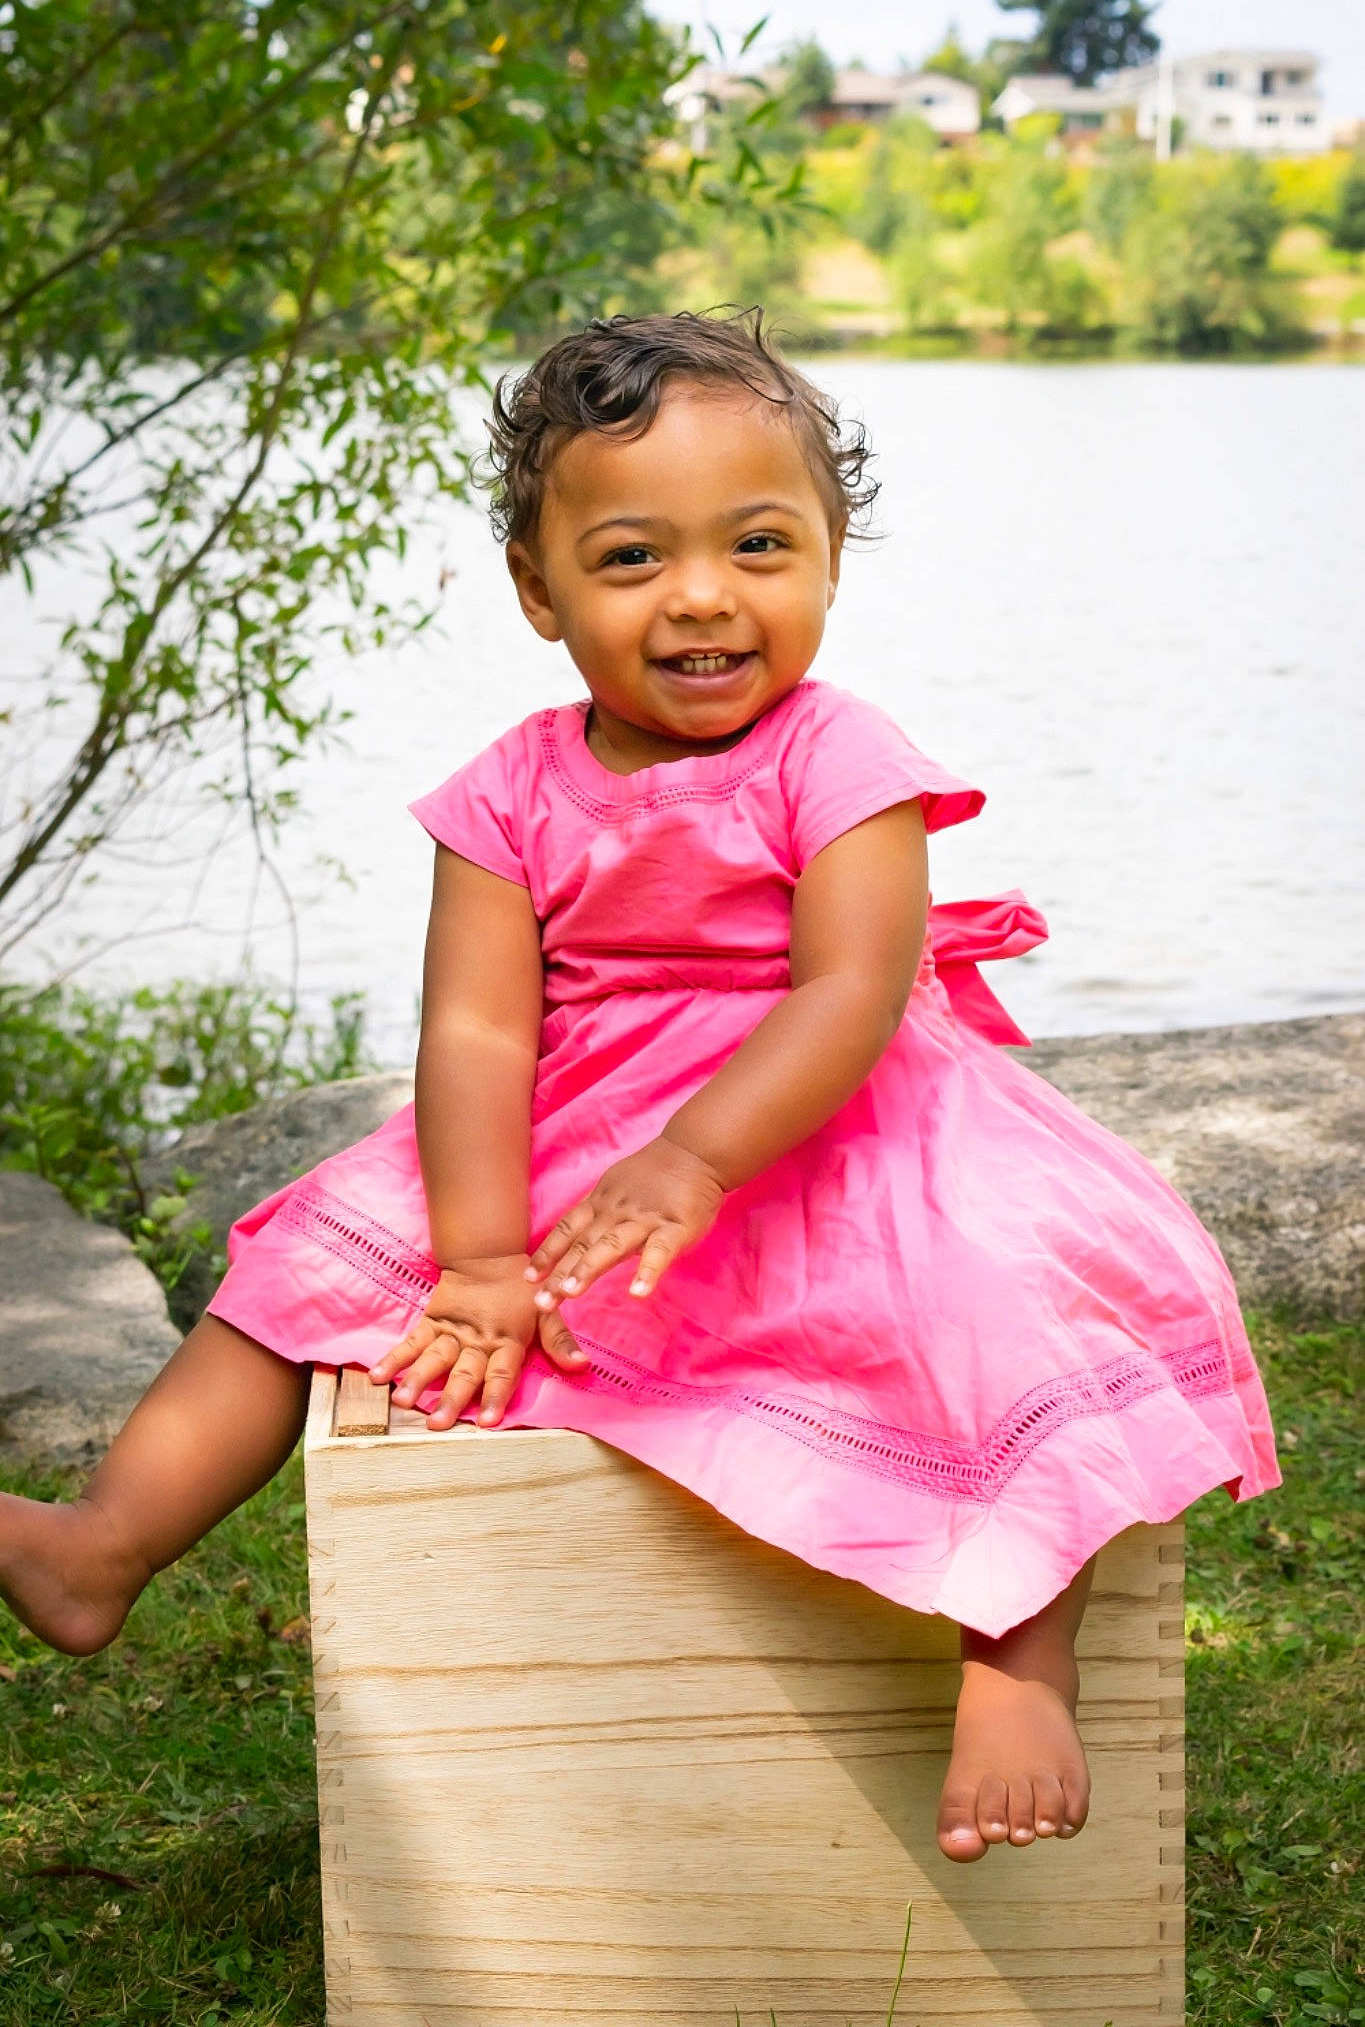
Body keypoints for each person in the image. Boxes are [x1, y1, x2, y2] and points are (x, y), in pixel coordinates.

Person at [0, 310, 1279, 1865]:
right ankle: (104, 1547)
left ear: (825, 560)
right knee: (296, 1272)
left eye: (757, 545)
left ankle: (1017, 1654)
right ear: (541, 593)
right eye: (628, 560)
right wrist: (478, 1258)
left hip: (821, 1108)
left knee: (985, 1301)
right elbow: (477, 1037)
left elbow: (853, 990)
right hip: (576, 1110)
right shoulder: (503, 795)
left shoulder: (843, 755)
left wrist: (698, 1156)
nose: (700, 598)